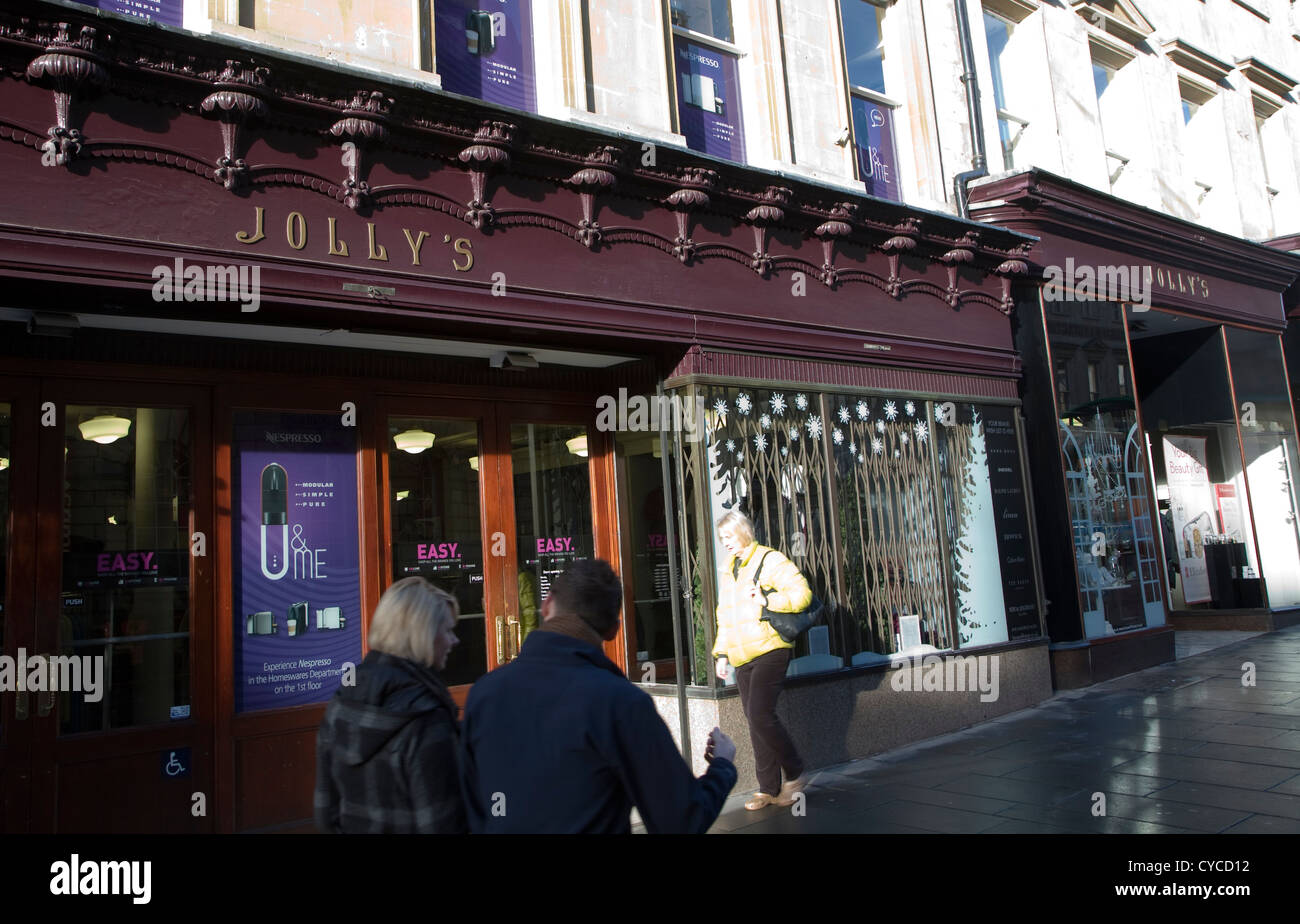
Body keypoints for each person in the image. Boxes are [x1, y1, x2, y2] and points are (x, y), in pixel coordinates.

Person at [460, 558, 738, 833]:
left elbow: (469, 808)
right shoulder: (621, 704)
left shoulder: (484, 694)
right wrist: (722, 766)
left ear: (546, 604)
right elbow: (681, 820)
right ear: (614, 630)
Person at [314, 576, 467, 833]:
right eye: (448, 630)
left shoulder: (340, 704)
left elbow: (324, 813)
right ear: (423, 633)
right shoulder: (426, 718)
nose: (455, 641)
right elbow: (442, 824)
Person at [713, 510, 812, 810]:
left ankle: (794, 772)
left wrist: (768, 600)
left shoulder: (770, 559)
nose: (725, 543)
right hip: (743, 655)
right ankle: (768, 788)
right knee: (755, 722)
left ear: (743, 531)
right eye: (722, 539)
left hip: (771, 648)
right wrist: (721, 653)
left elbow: (803, 594)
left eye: (728, 536)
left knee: (759, 714)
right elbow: (725, 619)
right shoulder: (730, 570)